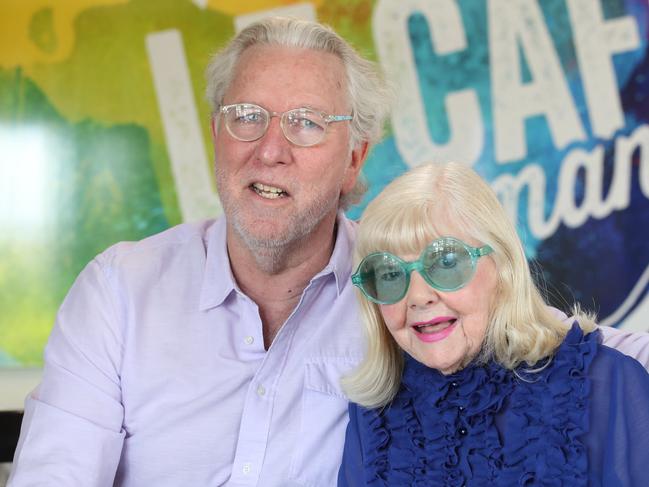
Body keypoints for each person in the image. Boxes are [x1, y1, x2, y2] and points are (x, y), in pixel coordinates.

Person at [6, 16, 649, 487]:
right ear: (215, 134)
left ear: (355, 158)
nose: (271, 148)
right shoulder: (120, 289)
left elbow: (543, 335)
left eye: (308, 123)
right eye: (247, 115)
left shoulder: (398, 286)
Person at [338, 162, 649, 486]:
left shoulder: (605, 384)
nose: (417, 296)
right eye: (389, 273)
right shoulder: (374, 418)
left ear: (503, 267)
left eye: (446, 262)